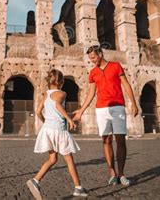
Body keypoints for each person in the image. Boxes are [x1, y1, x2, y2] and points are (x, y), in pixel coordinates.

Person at [73, 45, 138, 187]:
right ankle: (112, 173)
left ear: (101, 54)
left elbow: (126, 85)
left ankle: (121, 174)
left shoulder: (116, 66)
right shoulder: (92, 73)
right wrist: (81, 110)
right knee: (106, 140)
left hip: (118, 107)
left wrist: (133, 103)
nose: (92, 61)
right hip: (101, 109)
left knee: (120, 140)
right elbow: (91, 94)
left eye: (94, 57)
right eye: (90, 59)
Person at [26, 69, 89, 199]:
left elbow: (38, 112)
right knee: (69, 159)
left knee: (53, 159)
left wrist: (47, 122)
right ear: (62, 81)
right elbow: (57, 105)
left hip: (48, 130)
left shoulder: (46, 94)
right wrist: (69, 119)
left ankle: (35, 180)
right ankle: (78, 188)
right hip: (59, 131)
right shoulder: (62, 93)